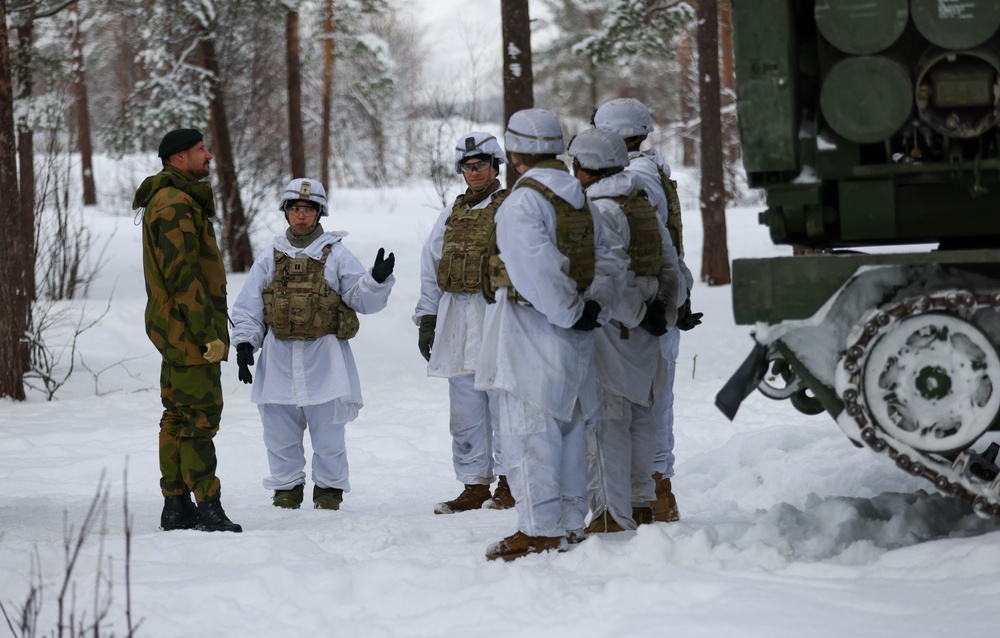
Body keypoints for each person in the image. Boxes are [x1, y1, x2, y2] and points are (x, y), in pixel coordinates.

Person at [476, 109, 625, 561]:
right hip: (575, 334)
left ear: (514, 150)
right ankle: (567, 521)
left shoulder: (523, 202)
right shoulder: (578, 196)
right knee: (571, 427)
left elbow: (535, 270)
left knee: (528, 431)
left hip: (532, 332)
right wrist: (593, 306)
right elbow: (608, 257)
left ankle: (539, 530)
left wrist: (571, 312)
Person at [230, 178, 395, 511]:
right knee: (278, 433)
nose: (300, 215)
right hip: (278, 359)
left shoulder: (336, 255)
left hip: (324, 361)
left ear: (319, 213)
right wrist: (245, 344)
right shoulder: (270, 256)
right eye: (294, 208)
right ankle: (286, 489)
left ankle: (329, 491)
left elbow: (361, 299)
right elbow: (249, 305)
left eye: (307, 209)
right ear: (286, 212)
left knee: (329, 435)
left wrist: (376, 281)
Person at [594, 98, 702, 523]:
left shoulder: (633, 178)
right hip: (657, 298)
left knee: (647, 404)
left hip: (641, 305)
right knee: (652, 399)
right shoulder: (652, 171)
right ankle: (654, 491)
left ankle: (655, 491)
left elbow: (654, 246)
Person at [567, 127, 680, 533]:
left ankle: (611, 516)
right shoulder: (641, 202)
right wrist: (664, 311)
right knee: (641, 418)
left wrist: (636, 313)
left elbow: (610, 274)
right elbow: (671, 264)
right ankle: (641, 503)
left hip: (613, 329)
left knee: (606, 425)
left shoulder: (597, 209)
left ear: (585, 165)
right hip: (648, 327)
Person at [132, 128, 241, 533]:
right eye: (200, 150)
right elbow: (184, 276)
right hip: (188, 330)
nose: (208, 155)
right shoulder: (175, 204)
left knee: (176, 416)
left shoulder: (172, 199)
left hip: (174, 330)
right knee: (199, 418)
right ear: (178, 158)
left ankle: (175, 506)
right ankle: (208, 507)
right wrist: (206, 333)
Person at [414, 132, 515, 514]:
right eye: (468, 167)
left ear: (495, 166)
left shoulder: (510, 207)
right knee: (465, 410)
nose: (474, 173)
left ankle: (511, 481)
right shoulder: (451, 213)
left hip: (496, 314)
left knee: (503, 402)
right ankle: (474, 484)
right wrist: (427, 316)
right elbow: (431, 264)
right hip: (457, 318)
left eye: (481, 165)